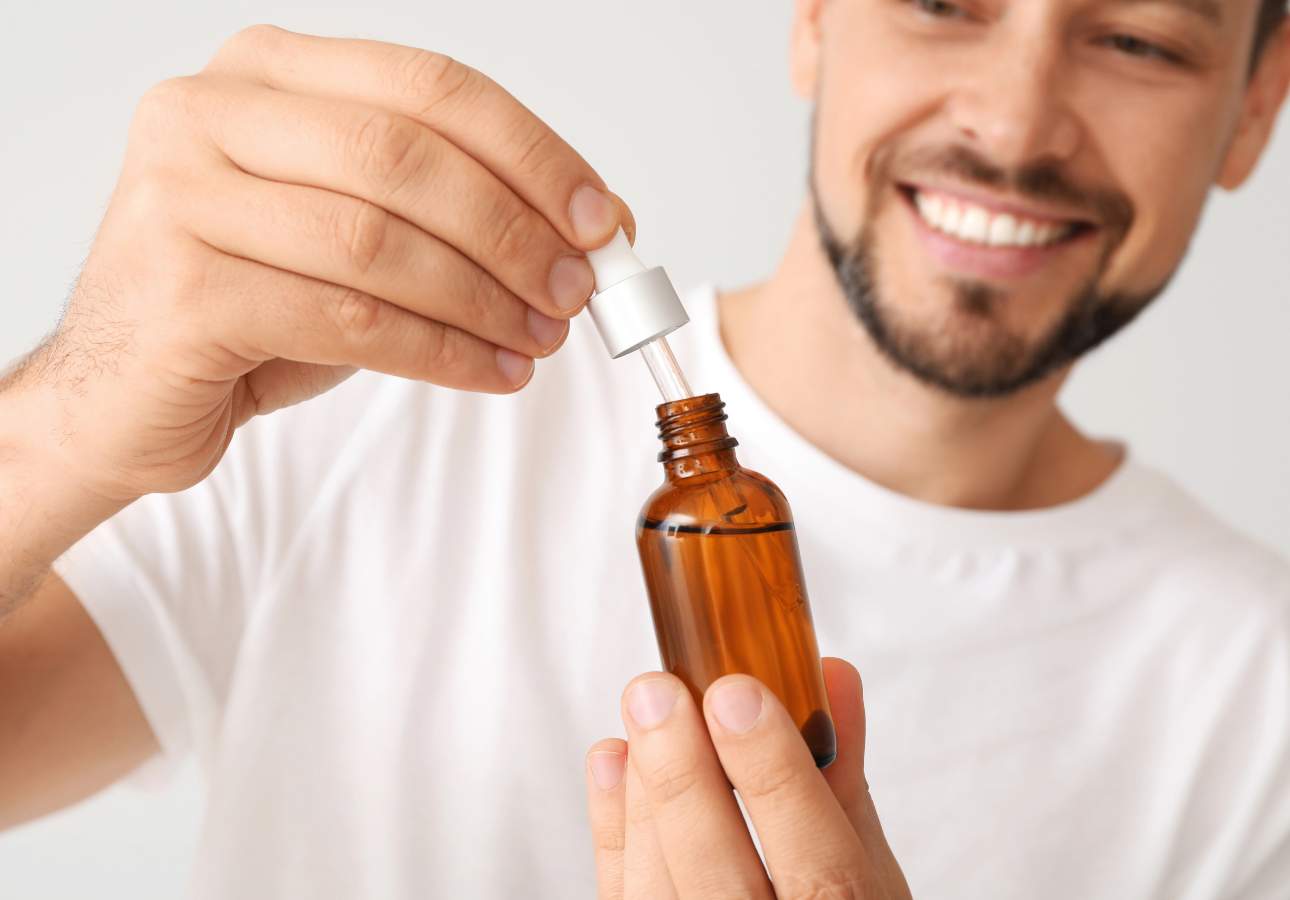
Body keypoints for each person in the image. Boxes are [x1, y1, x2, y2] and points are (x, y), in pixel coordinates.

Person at [2, 0, 1288, 896]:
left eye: (1138, 38)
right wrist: (65, 415)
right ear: (814, 16)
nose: (1014, 127)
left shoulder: (1256, 712)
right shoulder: (343, 386)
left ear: (1255, 106)